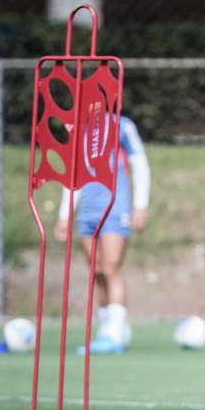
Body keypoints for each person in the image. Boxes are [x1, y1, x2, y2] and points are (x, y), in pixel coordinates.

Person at [55, 115, 151, 355]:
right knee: (96, 271)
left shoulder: (123, 125)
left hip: (115, 207)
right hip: (88, 210)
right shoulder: (79, 127)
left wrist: (140, 205)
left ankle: (115, 333)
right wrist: (65, 214)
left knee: (111, 267)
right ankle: (107, 327)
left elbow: (140, 163)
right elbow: (73, 173)